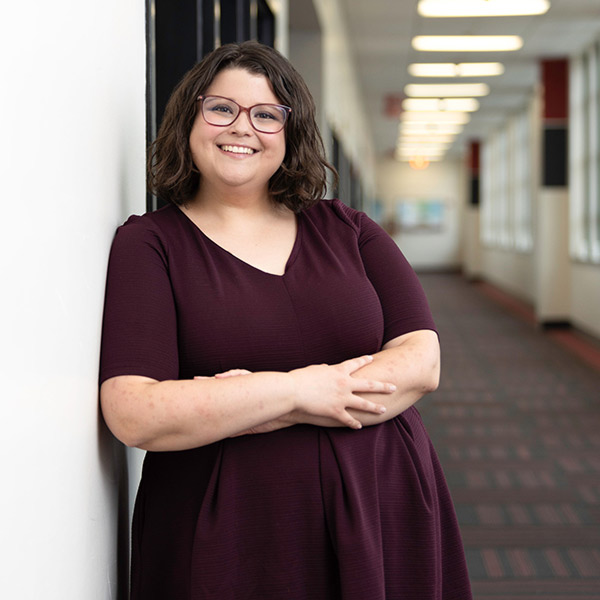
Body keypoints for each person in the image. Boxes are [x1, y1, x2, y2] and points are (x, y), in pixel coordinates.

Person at [99, 40, 472, 600]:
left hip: (379, 497)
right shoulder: (149, 245)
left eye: (266, 115)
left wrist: (250, 402)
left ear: (290, 133)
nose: (241, 128)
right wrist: (298, 390)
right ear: (189, 117)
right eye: (221, 107)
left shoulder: (350, 230)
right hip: (230, 522)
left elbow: (422, 362)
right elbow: (134, 412)